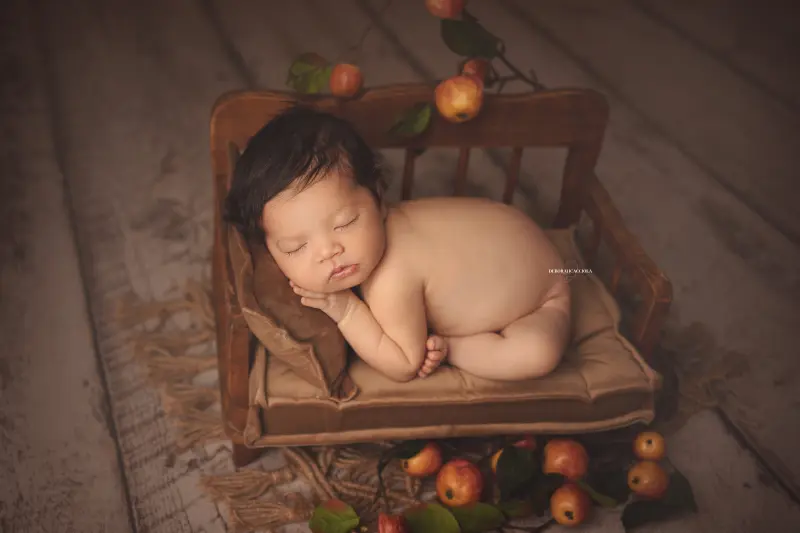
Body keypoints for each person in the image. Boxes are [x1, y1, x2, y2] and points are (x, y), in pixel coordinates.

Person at [225, 106, 571, 383]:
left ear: (378, 198)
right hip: (524, 241)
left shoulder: (391, 276)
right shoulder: (383, 232)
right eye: (294, 247)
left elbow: (404, 364)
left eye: (345, 224)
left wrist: (345, 309)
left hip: (543, 298)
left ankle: (454, 348)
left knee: (535, 354)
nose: (328, 251)